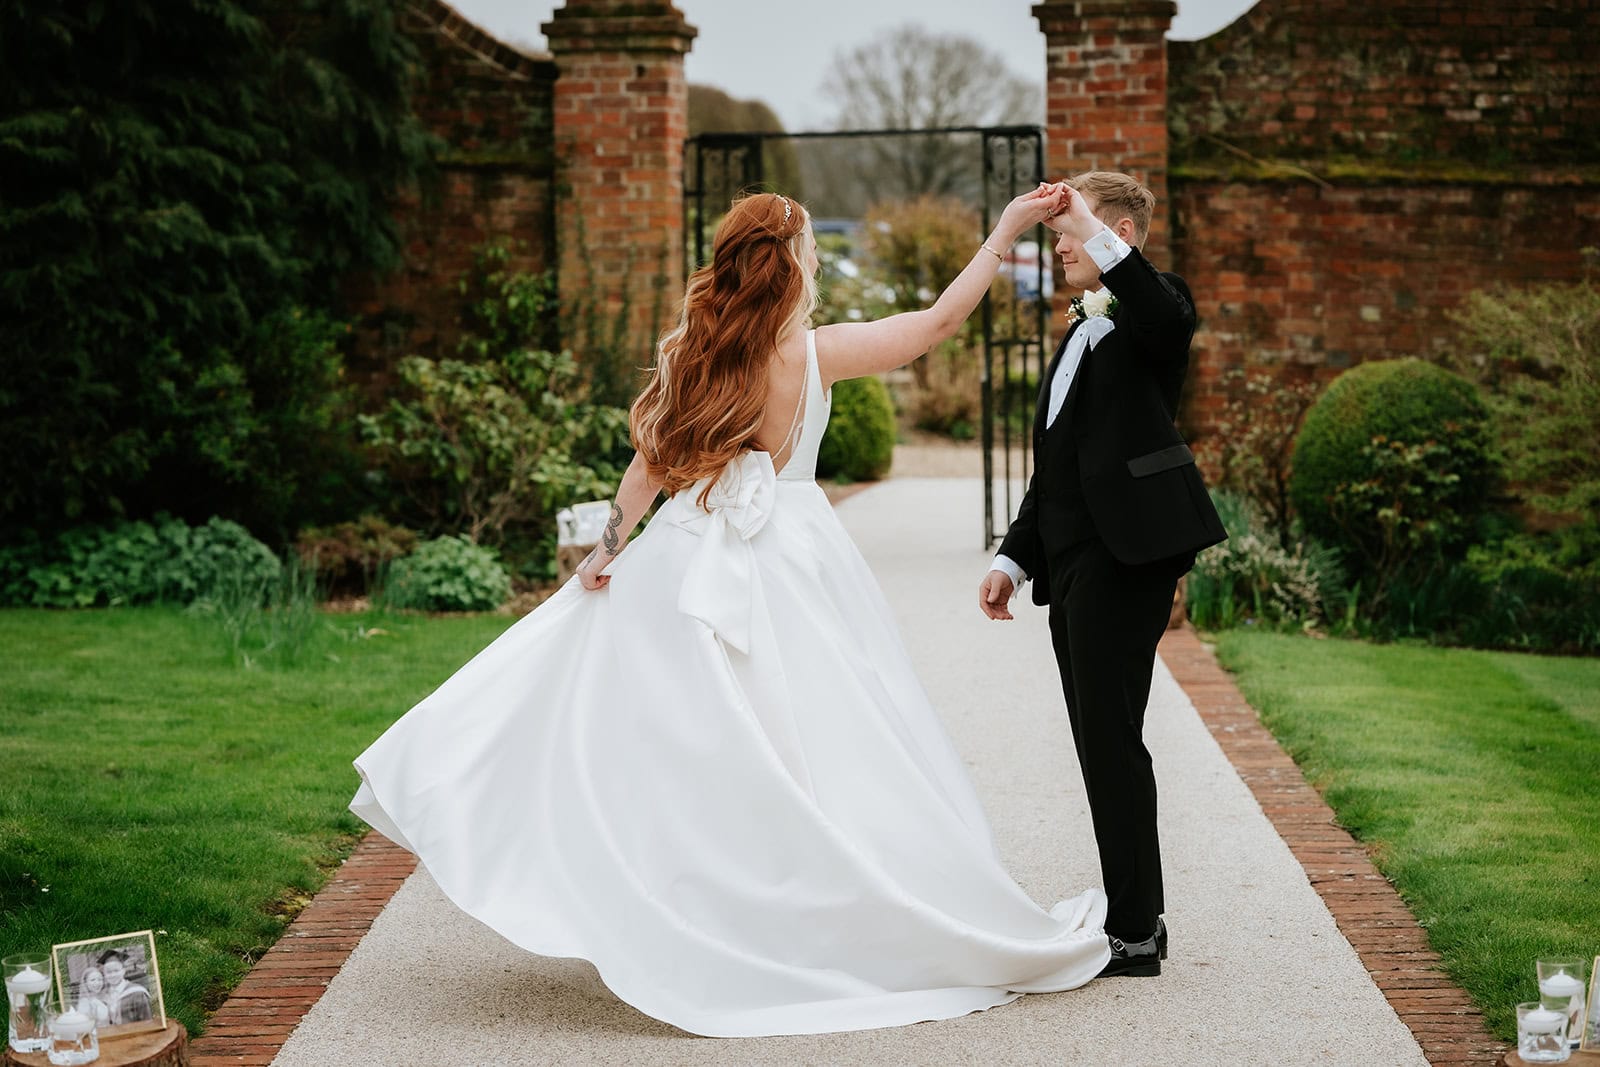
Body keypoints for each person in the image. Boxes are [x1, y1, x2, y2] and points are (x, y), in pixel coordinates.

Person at [351, 186, 1116, 1038]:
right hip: (795, 556)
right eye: (814, 250)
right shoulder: (818, 354)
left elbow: (647, 468)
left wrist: (607, 549)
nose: (821, 261)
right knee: (824, 742)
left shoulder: (698, 352)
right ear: (792, 262)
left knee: (672, 737)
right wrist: (1007, 229)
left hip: (688, 549)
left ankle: (692, 903)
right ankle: (801, 904)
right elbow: (937, 322)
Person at [978, 172, 1228, 978]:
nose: (1057, 249)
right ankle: (1134, 918)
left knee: (1112, 739)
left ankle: (1136, 932)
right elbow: (1057, 462)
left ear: (1113, 227)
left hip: (1130, 557)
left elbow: (1161, 312)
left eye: (1067, 233)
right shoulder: (1080, 331)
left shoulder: (1157, 306)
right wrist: (1014, 558)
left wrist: (1086, 222)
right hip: (1077, 561)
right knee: (1098, 740)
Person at [99, 950, 152, 1025]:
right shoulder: (102, 996)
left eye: (116, 971)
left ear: (123, 971)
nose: (113, 975)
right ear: (104, 974)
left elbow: (148, 1022)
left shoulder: (137, 992)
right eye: (108, 972)